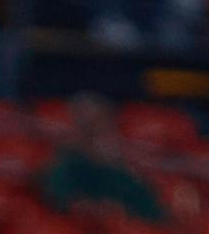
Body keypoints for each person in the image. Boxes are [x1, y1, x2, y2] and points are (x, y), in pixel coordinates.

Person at [41, 94, 164, 223]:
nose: (97, 136)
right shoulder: (65, 168)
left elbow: (154, 218)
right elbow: (56, 207)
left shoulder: (125, 176)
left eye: (101, 125)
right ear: (76, 130)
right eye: (89, 128)